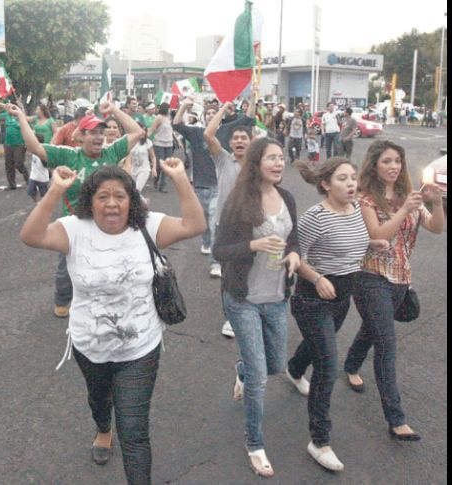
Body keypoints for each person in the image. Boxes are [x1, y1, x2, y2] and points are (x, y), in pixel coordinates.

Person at [19, 159, 206, 485]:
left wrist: (179, 179)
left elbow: (194, 225)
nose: (111, 204)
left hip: (140, 348)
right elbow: (31, 236)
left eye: (119, 196)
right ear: (90, 201)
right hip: (89, 345)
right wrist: (55, 190)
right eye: (102, 196)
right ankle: (103, 429)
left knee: (134, 430)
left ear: (131, 200)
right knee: (99, 398)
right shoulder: (74, 229)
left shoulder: (148, 225)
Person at [286, 157, 390, 472]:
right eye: (342, 179)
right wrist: (317, 279)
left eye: (352, 178)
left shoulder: (357, 210)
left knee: (319, 346)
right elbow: (292, 255)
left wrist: (373, 245)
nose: (350, 184)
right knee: (328, 367)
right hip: (312, 299)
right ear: (325, 185)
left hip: (342, 296)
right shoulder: (314, 218)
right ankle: (319, 441)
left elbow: (352, 245)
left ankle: (293, 369)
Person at [343, 140, 444, 442]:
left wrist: (436, 203)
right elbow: (377, 234)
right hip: (369, 276)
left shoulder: (407, 197)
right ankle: (396, 419)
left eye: (397, 161)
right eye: (387, 161)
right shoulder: (365, 200)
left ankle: (350, 365)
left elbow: (437, 228)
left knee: (373, 330)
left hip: (400, 279)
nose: (394, 166)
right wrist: (404, 211)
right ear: (375, 165)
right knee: (387, 343)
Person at [212, 137, 301, 478]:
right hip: (243, 298)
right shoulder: (240, 202)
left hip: (277, 297)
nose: (279, 164)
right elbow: (220, 250)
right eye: (271, 159)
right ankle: (255, 443)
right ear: (256, 163)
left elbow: (293, 239)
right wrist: (254, 244)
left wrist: (294, 254)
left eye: (281, 158)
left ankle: (242, 370)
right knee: (260, 380)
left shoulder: (288, 198)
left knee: (275, 364)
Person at [10, 100, 145, 319]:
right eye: (93, 133)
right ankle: (63, 299)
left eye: (101, 132)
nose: (99, 137)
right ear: (80, 135)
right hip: (74, 226)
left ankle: (101, 299)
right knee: (66, 269)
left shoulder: (111, 154)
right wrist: (21, 118)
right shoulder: (69, 156)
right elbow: (34, 147)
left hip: (107, 226)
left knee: (106, 264)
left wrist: (114, 111)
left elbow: (137, 132)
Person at [174, 94, 259, 281]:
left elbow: (249, 119)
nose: (212, 115)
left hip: (218, 188)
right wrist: (183, 106)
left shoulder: (229, 131)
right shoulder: (196, 132)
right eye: (209, 113)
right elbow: (177, 124)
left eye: (215, 112)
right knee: (205, 221)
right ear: (204, 116)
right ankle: (207, 243)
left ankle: (215, 263)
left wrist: (252, 100)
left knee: (214, 222)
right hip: (200, 184)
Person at [204, 102, 259, 337]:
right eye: (235, 137)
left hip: (252, 226)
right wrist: (223, 110)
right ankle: (230, 318)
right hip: (226, 227)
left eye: (243, 138)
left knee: (250, 272)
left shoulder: (258, 166)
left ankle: (248, 312)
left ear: (250, 142)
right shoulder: (224, 160)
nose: (239, 141)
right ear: (230, 143)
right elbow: (208, 134)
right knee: (228, 275)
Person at [0, 102, 30, 189]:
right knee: (8, 165)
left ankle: (29, 182)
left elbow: (26, 118)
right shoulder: (6, 115)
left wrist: (21, 106)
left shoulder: (20, 116)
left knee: (19, 164)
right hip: (8, 144)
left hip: (19, 144)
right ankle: (12, 185)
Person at [121, 121, 157, 194]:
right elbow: (127, 157)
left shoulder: (147, 142)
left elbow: (153, 157)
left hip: (144, 169)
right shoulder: (131, 142)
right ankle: (144, 202)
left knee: (137, 190)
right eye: (141, 130)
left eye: (145, 130)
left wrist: (154, 168)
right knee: (131, 191)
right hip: (133, 170)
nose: (143, 132)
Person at [148, 103, 175, 193]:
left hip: (169, 144)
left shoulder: (169, 118)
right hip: (159, 143)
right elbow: (152, 129)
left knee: (167, 166)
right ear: (165, 109)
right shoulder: (158, 117)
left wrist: (177, 140)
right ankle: (156, 179)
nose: (170, 110)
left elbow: (171, 130)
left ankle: (162, 185)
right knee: (160, 166)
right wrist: (145, 139)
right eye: (169, 108)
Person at [27, 133, 50, 202]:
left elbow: (46, 164)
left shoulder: (43, 151)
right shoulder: (33, 150)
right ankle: (37, 203)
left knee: (44, 196)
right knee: (31, 192)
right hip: (33, 176)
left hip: (42, 178)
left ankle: (44, 206)